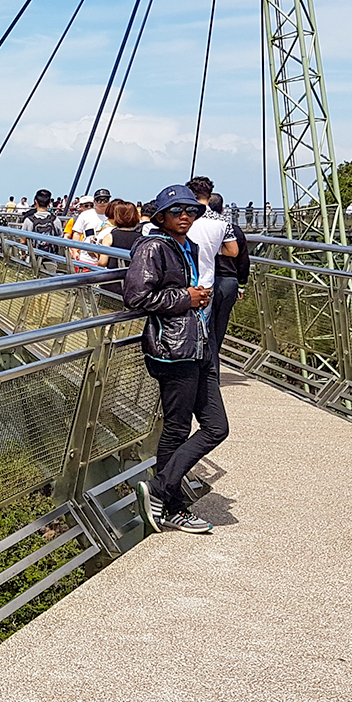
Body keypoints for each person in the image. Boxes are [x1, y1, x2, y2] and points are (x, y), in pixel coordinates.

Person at [126, 184, 227, 535]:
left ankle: (159, 488)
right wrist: (186, 297)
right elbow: (136, 295)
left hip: (200, 346)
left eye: (191, 211)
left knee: (216, 427)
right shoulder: (154, 246)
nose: (185, 216)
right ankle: (172, 505)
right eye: (177, 211)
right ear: (161, 216)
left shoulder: (188, 245)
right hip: (173, 351)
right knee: (177, 427)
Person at [183, 176, 241, 306]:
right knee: (203, 322)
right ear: (209, 198)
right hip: (206, 283)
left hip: (182, 284)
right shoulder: (222, 221)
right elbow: (233, 251)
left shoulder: (183, 218)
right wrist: (213, 247)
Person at [209, 192, 250, 360]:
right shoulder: (234, 230)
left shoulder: (199, 228)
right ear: (223, 209)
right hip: (229, 282)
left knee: (205, 325)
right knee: (220, 325)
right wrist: (241, 285)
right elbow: (243, 261)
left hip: (207, 281)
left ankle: (205, 367)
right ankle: (214, 362)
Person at [105, 199, 143, 268]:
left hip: (114, 275)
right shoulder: (141, 237)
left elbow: (102, 262)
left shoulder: (110, 236)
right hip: (134, 273)